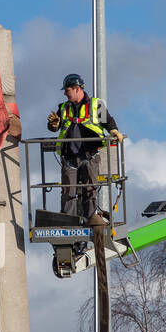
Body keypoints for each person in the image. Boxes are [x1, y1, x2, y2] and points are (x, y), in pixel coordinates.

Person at [46, 74, 124, 225]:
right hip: (69, 157)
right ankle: (68, 222)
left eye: (67, 90)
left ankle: (91, 219)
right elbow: (53, 127)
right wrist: (53, 125)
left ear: (76, 89)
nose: (64, 93)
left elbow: (108, 121)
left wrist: (114, 131)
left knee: (89, 189)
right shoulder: (63, 107)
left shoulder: (96, 105)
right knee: (68, 191)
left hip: (90, 155)